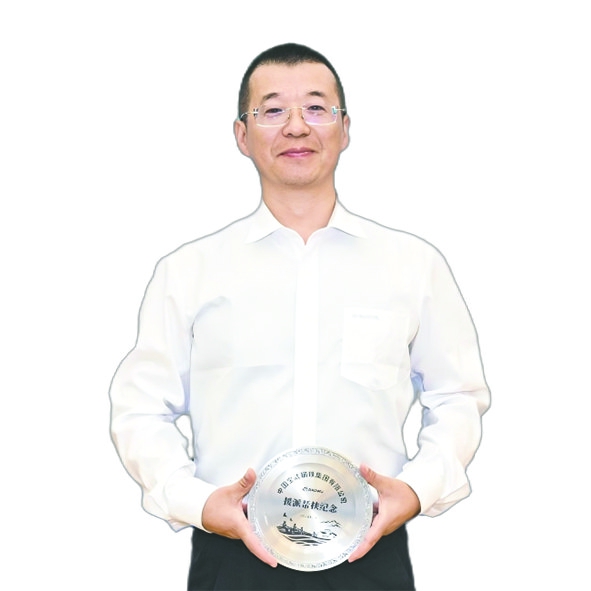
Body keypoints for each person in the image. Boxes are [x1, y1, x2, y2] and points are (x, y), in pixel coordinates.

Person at [110, 42, 490, 590]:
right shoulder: (189, 272)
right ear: (242, 135)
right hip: (232, 559)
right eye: (272, 110)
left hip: (369, 554)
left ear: (345, 128)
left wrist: (416, 489)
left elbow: (457, 396)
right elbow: (141, 408)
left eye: (316, 107)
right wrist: (195, 501)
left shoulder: (412, 265)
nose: (296, 127)